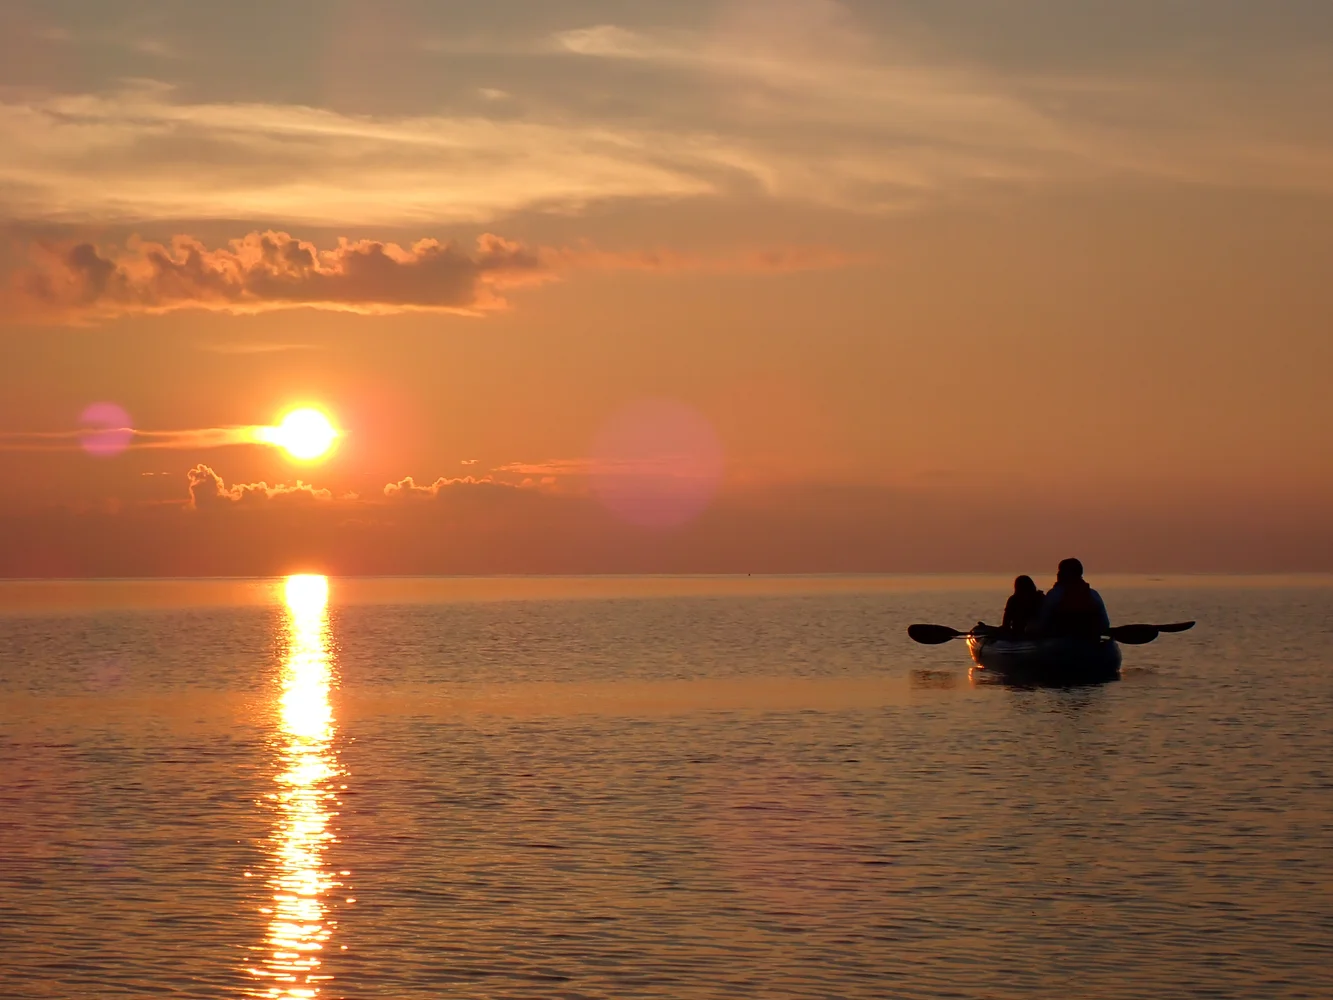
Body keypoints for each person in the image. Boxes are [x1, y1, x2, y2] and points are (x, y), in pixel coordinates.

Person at [1030, 558, 1110, 637]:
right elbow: (1104, 624)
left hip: (1060, 642)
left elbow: (1042, 623)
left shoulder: (1054, 594)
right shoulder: (1093, 594)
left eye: (1060, 571)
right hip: (1089, 641)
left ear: (1066, 574)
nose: (1058, 574)